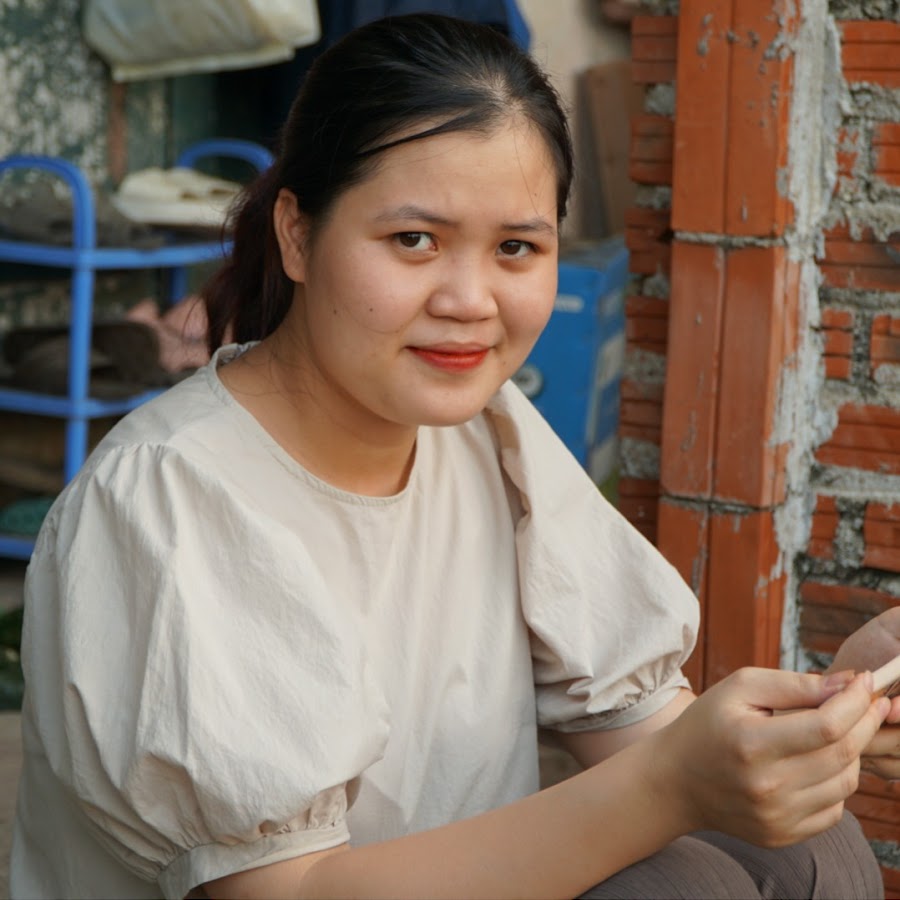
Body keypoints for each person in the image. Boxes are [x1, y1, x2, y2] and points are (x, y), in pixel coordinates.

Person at [10, 13, 900, 900]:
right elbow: (288, 893)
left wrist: (831, 713)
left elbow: (644, 729)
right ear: (297, 234)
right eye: (414, 241)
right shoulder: (167, 498)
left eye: (516, 248)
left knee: (809, 850)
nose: (470, 301)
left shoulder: (487, 431)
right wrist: (671, 786)